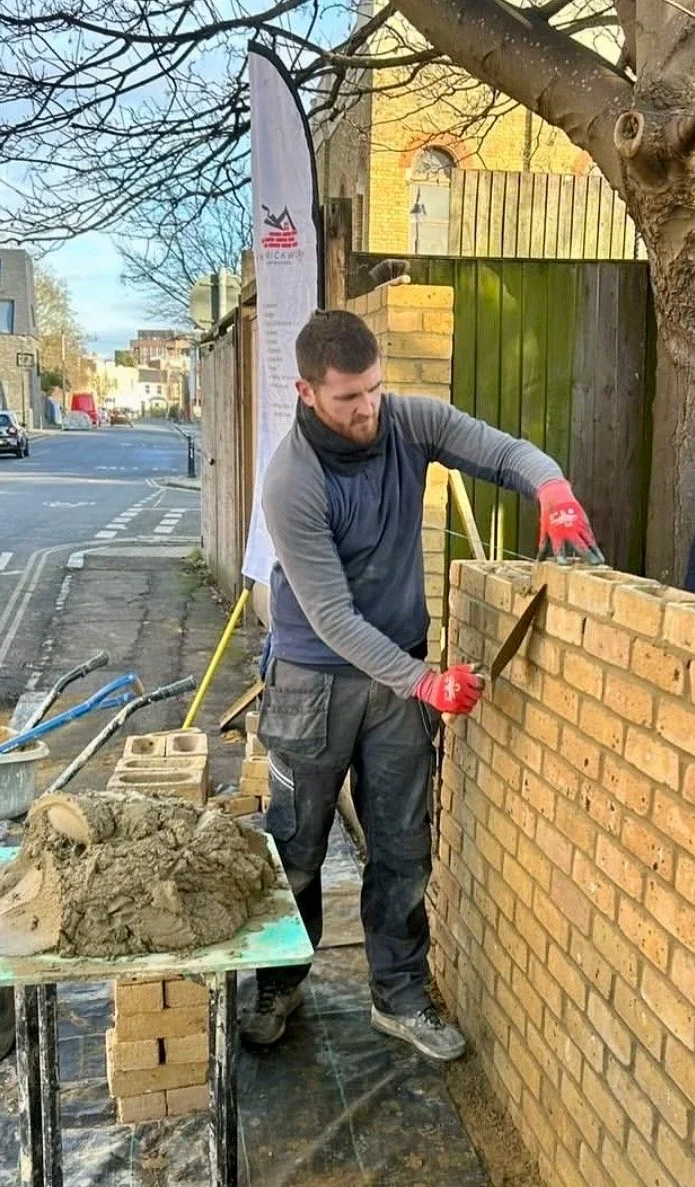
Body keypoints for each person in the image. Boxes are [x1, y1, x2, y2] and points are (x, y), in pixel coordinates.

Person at [244, 308, 602, 1061]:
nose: (367, 408)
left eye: (373, 388)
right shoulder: (291, 482)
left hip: (399, 682)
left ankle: (399, 996)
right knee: (296, 847)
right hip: (315, 682)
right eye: (348, 397)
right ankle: (279, 982)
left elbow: (503, 451)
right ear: (307, 391)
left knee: (403, 848)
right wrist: (426, 683)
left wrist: (552, 487)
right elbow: (332, 618)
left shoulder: (408, 421)